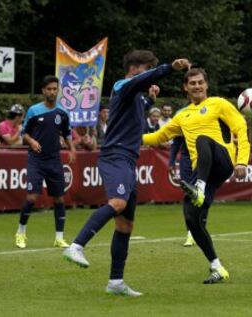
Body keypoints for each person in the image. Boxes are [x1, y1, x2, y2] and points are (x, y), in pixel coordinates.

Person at [63, 49, 190, 297]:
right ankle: (76, 245)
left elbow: (138, 106)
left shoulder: (133, 96)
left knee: (125, 225)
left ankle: (115, 282)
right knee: (118, 203)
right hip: (116, 156)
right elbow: (138, 83)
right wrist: (169, 68)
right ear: (135, 68)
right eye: (147, 70)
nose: (149, 79)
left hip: (128, 161)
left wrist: (151, 100)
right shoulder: (123, 84)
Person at [143, 68, 250, 284]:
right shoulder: (182, 115)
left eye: (200, 82)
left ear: (207, 85)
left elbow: (241, 127)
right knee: (192, 219)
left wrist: (242, 160)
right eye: (192, 83)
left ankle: (199, 187)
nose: (197, 86)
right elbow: (159, 136)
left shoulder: (218, 104)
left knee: (202, 139)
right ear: (185, 87)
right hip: (202, 169)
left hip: (223, 161)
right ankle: (217, 267)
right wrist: (130, 138)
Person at [15, 75, 76, 249]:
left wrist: (72, 149)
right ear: (43, 91)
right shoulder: (34, 110)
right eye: (49, 89)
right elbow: (24, 133)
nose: (52, 92)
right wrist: (32, 141)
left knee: (59, 199)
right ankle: (21, 232)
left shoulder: (63, 112)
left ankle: (59, 237)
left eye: (54, 89)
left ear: (58, 90)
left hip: (55, 160)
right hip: (36, 160)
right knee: (32, 196)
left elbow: (67, 133)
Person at [168, 135, 195, 247]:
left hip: (203, 159)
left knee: (201, 194)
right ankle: (190, 232)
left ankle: (199, 229)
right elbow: (176, 142)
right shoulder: (182, 118)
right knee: (188, 194)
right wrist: (171, 162)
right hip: (186, 160)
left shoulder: (207, 118)